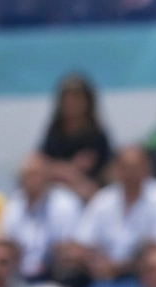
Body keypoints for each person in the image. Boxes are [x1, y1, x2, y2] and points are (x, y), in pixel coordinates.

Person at [74, 146, 156, 281]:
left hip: (145, 277)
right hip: (101, 275)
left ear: (147, 168)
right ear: (115, 169)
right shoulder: (103, 199)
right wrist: (95, 261)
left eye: (136, 167)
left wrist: (119, 268)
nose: (131, 173)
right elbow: (83, 242)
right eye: (125, 167)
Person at [0, 153, 83, 280]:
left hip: (54, 275)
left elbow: (71, 247)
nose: (31, 181)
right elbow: (6, 241)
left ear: (47, 177)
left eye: (35, 175)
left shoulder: (66, 203)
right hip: (17, 275)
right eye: (26, 176)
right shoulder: (13, 205)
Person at [39, 73, 113, 201]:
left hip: (91, 195)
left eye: (77, 98)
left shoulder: (97, 135)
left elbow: (109, 170)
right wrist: (69, 170)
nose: (72, 103)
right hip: (56, 193)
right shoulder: (54, 132)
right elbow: (41, 163)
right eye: (67, 99)